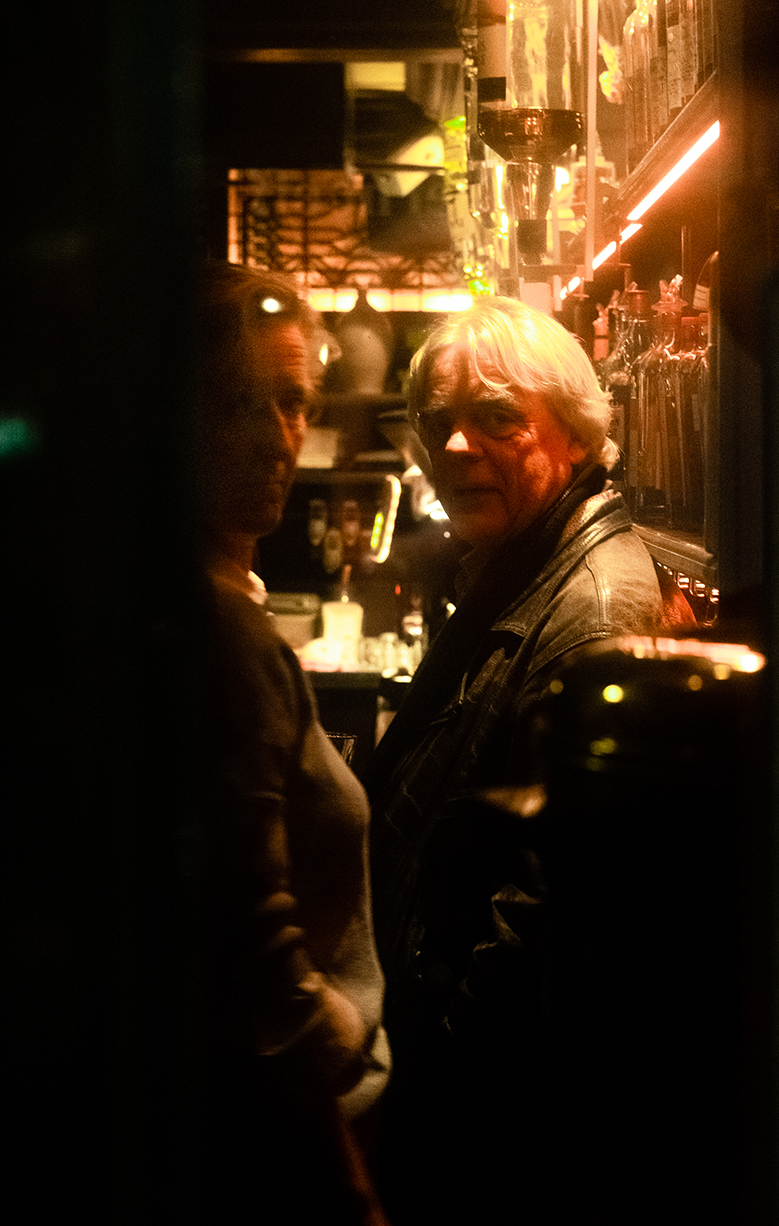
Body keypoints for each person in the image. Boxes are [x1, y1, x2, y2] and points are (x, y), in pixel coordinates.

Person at [365, 295, 664, 1224]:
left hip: (485, 1124)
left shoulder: (593, 609)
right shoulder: (522, 568)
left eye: (497, 419)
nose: (456, 448)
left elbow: (547, 903)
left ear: (574, 435)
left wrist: (437, 1084)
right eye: (438, 424)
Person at [193, 262, 390, 1223]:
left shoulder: (225, 602)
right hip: (287, 1147)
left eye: (296, 403)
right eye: (248, 403)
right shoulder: (223, 635)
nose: (281, 437)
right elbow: (255, 957)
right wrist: (344, 1175)